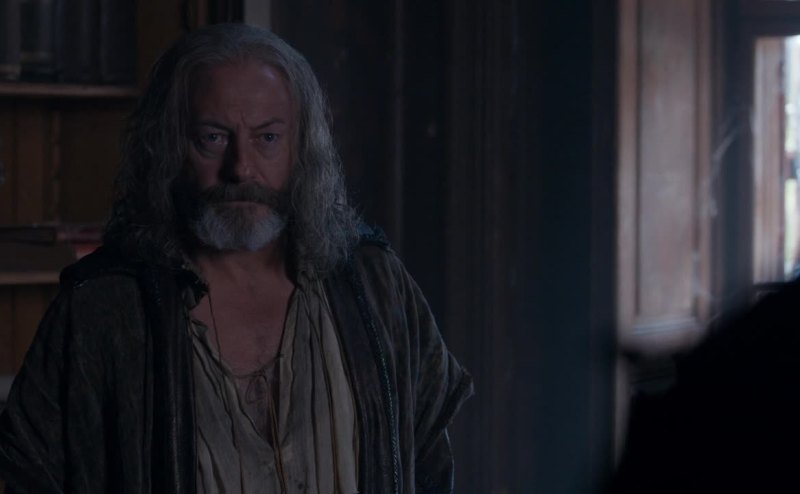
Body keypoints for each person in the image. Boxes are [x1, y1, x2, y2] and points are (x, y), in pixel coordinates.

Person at [0, 23, 472, 493]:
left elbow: (431, 463)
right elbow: (31, 472)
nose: (241, 168)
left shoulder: (374, 286)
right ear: (170, 146)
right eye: (213, 137)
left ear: (301, 147)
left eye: (267, 138)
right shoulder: (104, 307)